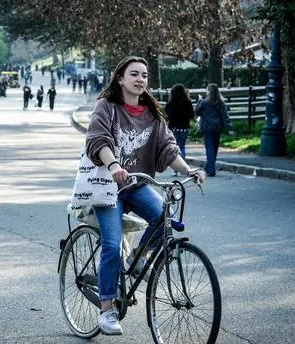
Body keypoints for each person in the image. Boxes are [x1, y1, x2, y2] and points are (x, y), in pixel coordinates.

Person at [85, 56, 205, 336]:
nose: (140, 79)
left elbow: (168, 148)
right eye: (134, 74)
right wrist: (113, 165)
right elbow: (98, 139)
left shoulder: (151, 113)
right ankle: (107, 310)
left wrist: (189, 169)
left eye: (144, 75)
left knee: (166, 216)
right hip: (108, 186)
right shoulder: (107, 107)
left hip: (137, 185)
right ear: (120, 79)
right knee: (112, 245)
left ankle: (138, 257)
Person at [195, 83, 234, 177]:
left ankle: (211, 169)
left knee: (209, 148)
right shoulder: (221, 102)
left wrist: (199, 100)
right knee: (214, 148)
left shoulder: (204, 102)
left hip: (207, 128)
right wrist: (230, 128)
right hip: (217, 128)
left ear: (209, 91)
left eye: (207, 90)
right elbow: (225, 116)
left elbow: (197, 112)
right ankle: (209, 167)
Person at [164, 83, 195, 162]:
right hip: (184, 127)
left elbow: (166, 116)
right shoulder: (187, 102)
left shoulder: (170, 103)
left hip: (173, 128)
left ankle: (176, 167)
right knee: (182, 146)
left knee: (175, 147)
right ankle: (183, 163)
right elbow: (192, 115)